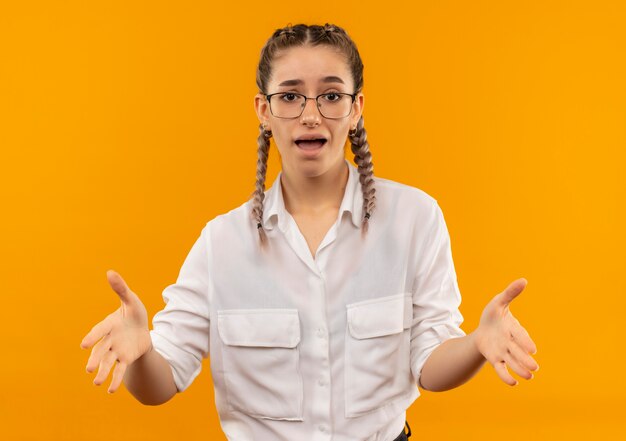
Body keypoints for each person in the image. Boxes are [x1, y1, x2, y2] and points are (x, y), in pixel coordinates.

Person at [80, 23, 539, 441]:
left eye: (332, 95)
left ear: (357, 108)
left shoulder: (415, 218)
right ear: (263, 109)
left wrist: (477, 344)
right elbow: (160, 385)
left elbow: (430, 367)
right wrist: (141, 354)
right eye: (291, 95)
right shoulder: (221, 244)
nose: (311, 114)